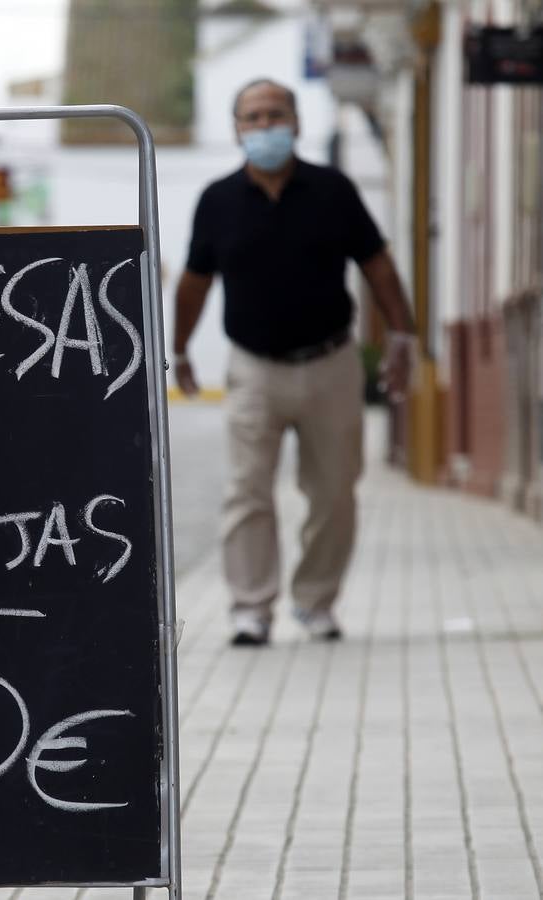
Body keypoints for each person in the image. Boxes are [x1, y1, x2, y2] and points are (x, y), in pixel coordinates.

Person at [173, 78, 415, 646]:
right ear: (236, 129)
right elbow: (194, 282)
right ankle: (251, 609)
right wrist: (180, 348)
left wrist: (402, 337)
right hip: (254, 368)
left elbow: (377, 265)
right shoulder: (217, 201)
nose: (264, 127)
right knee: (246, 490)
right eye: (252, 117)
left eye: (274, 115)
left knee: (334, 492)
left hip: (331, 363)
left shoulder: (334, 191)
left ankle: (315, 602)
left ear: (297, 123)